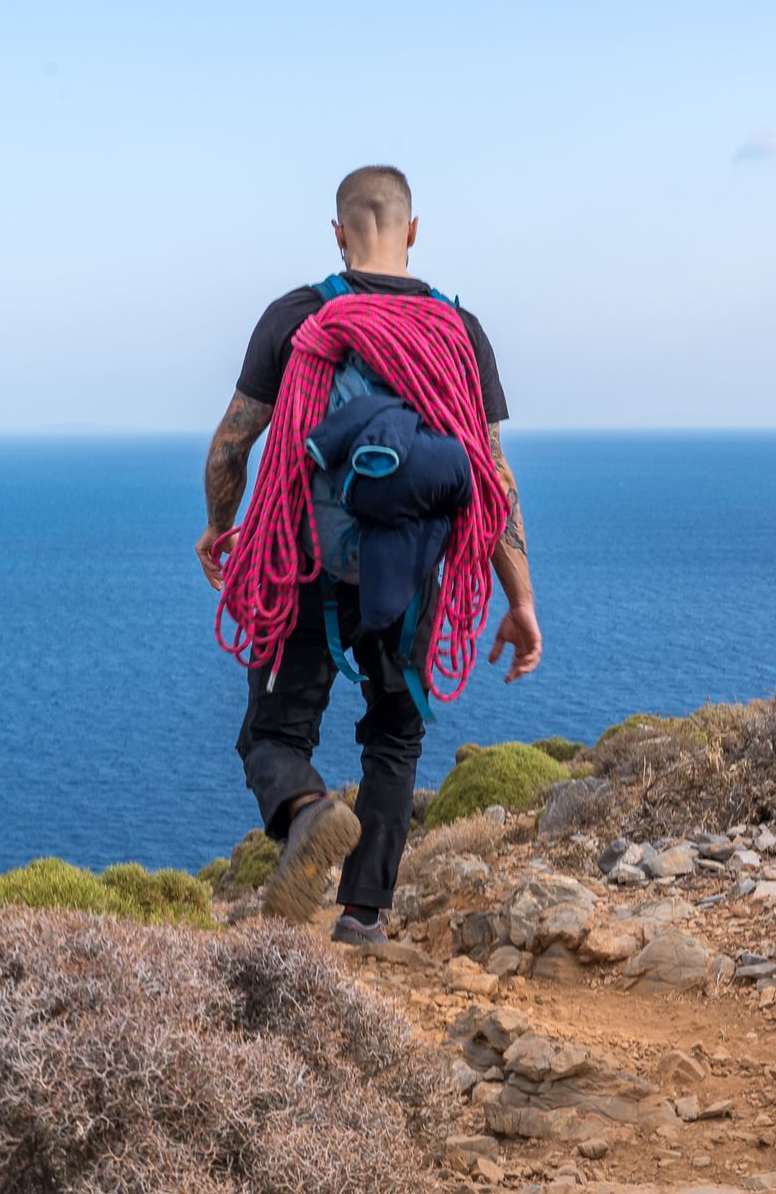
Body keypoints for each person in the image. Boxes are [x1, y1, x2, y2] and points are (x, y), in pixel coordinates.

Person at [196, 164, 542, 946]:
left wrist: (219, 526)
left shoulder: (299, 317)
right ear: (413, 231)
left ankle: (306, 808)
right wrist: (519, 600)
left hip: (303, 560)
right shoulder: (459, 332)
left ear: (338, 232)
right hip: (412, 574)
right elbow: (494, 481)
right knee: (394, 730)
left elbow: (229, 450)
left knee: (275, 733)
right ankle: (362, 918)